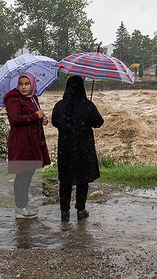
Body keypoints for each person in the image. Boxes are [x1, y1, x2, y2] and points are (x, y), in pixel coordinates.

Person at [51, 76, 104, 222]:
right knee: (83, 180)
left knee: (65, 181)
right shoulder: (87, 105)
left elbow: (55, 122)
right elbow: (99, 122)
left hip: (65, 150)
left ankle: (64, 211)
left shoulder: (59, 106)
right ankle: (81, 209)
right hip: (83, 150)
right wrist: (88, 110)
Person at [4, 72, 51, 218]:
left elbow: (35, 115)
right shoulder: (13, 99)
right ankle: (20, 207)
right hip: (21, 142)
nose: (24, 87)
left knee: (29, 172)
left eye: (27, 84)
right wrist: (35, 116)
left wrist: (42, 119)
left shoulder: (33, 98)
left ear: (32, 85)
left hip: (32, 141)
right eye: (21, 84)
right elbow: (15, 119)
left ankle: (24, 203)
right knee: (22, 174)